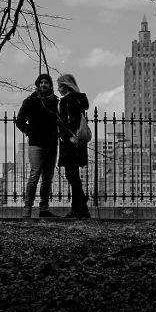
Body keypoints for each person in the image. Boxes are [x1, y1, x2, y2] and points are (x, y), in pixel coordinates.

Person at [15, 73, 60, 218]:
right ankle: (27, 207)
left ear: (50, 85)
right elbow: (20, 121)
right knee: (34, 175)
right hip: (36, 144)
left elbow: (60, 121)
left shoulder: (55, 102)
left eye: (46, 82)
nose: (43, 85)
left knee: (48, 177)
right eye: (41, 82)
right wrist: (31, 131)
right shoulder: (30, 101)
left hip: (51, 144)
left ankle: (44, 208)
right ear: (38, 85)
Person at [57, 73, 90, 219]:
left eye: (60, 86)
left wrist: (65, 136)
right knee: (73, 176)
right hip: (77, 142)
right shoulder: (78, 100)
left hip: (71, 143)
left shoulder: (69, 100)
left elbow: (71, 121)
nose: (58, 89)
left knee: (72, 176)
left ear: (67, 86)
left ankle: (81, 207)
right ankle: (77, 208)